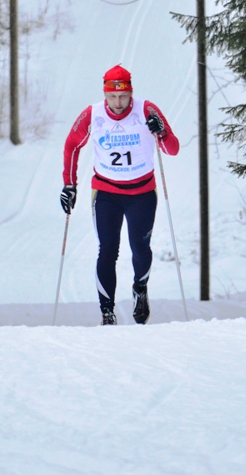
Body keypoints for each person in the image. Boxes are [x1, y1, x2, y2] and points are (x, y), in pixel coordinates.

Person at [61, 64, 179, 325]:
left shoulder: (146, 110)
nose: (117, 102)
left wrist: (162, 131)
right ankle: (107, 312)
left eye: (123, 96)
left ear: (131, 93)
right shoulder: (92, 114)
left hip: (142, 192)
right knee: (107, 250)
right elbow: (71, 145)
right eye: (112, 97)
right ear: (105, 95)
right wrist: (69, 185)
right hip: (106, 192)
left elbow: (173, 149)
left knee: (140, 248)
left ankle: (140, 288)